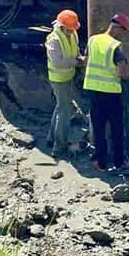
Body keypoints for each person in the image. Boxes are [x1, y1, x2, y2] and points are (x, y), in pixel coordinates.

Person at [83, 13, 129, 171]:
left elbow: (86, 61)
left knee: (98, 128)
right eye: (124, 32)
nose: (123, 35)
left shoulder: (93, 40)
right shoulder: (114, 46)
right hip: (111, 93)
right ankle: (119, 162)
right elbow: (123, 73)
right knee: (117, 128)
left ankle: (100, 162)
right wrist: (127, 73)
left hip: (93, 90)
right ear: (119, 29)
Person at [45, 9, 84, 158]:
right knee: (65, 111)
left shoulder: (73, 33)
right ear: (61, 26)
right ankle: (59, 147)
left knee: (61, 107)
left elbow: (75, 51)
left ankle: (51, 138)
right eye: (69, 29)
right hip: (58, 78)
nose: (71, 31)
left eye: (73, 29)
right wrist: (78, 62)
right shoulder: (54, 39)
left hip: (68, 75)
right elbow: (58, 62)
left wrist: (80, 58)